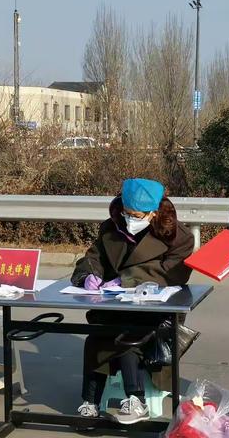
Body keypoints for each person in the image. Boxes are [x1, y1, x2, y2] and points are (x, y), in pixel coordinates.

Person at [71, 178, 194, 424]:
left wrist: (126, 281)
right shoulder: (111, 227)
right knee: (97, 336)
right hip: (114, 306)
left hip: (154, 311)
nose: (131, 219)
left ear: (154, 212)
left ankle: (136, 399)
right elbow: (93, 257)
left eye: (137, 215)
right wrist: (89, 275)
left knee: (128, 336)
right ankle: (90, 401)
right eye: (127, 213)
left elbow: (171, 272)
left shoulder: (179, 237)